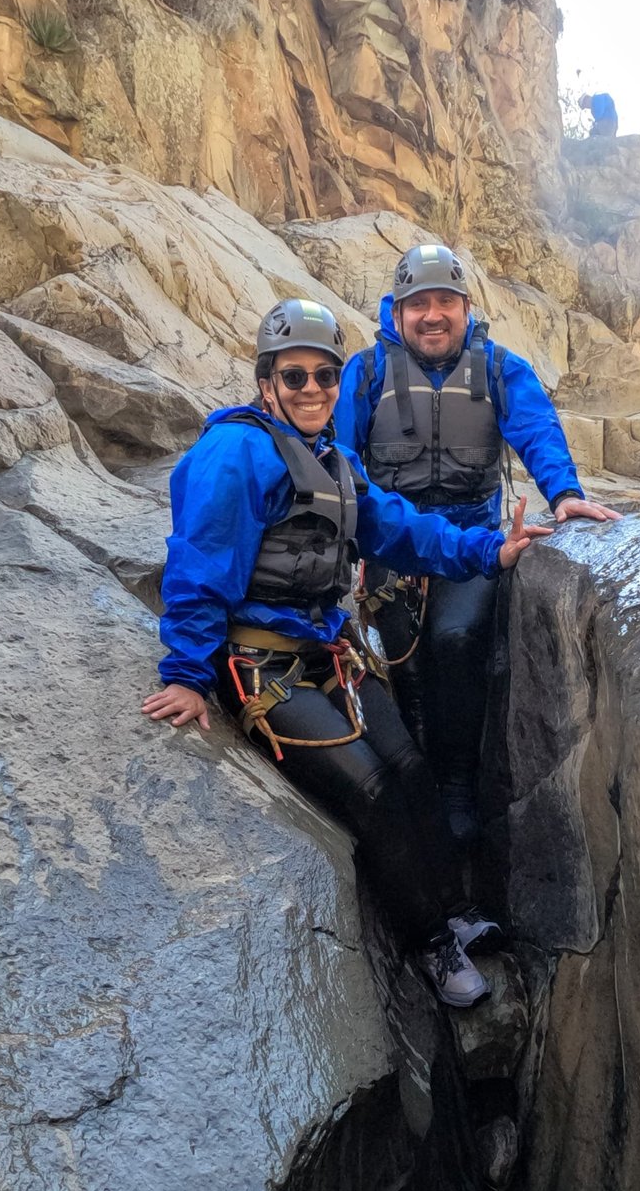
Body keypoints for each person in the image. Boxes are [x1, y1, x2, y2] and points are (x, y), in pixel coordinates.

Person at [142, 298, 551, 1009]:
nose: (312, 391)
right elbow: (199, 563)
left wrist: (491, 548)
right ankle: (431, 943)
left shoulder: (337, 461)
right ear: (266, 381)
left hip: (329, 656)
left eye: (324, 377)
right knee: (373, 790)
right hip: (259, 667)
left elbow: (400, 529)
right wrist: (184, 674)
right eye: (294, 377)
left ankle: (455, 907)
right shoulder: (236, 453)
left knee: (412, 766)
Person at [334, 245, 620, 849]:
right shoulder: (365, 373)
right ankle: (416, 787)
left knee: (457, 639)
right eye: (419, 305)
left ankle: (458, 786)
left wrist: (564, 492)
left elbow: (536, 427)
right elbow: (339, 458)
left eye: (444, 302)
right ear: (398, 311)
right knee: (398, 662)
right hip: (394, 544)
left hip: (473, 540)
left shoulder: (496, 367)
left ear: (465, 308)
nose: (432, 316)